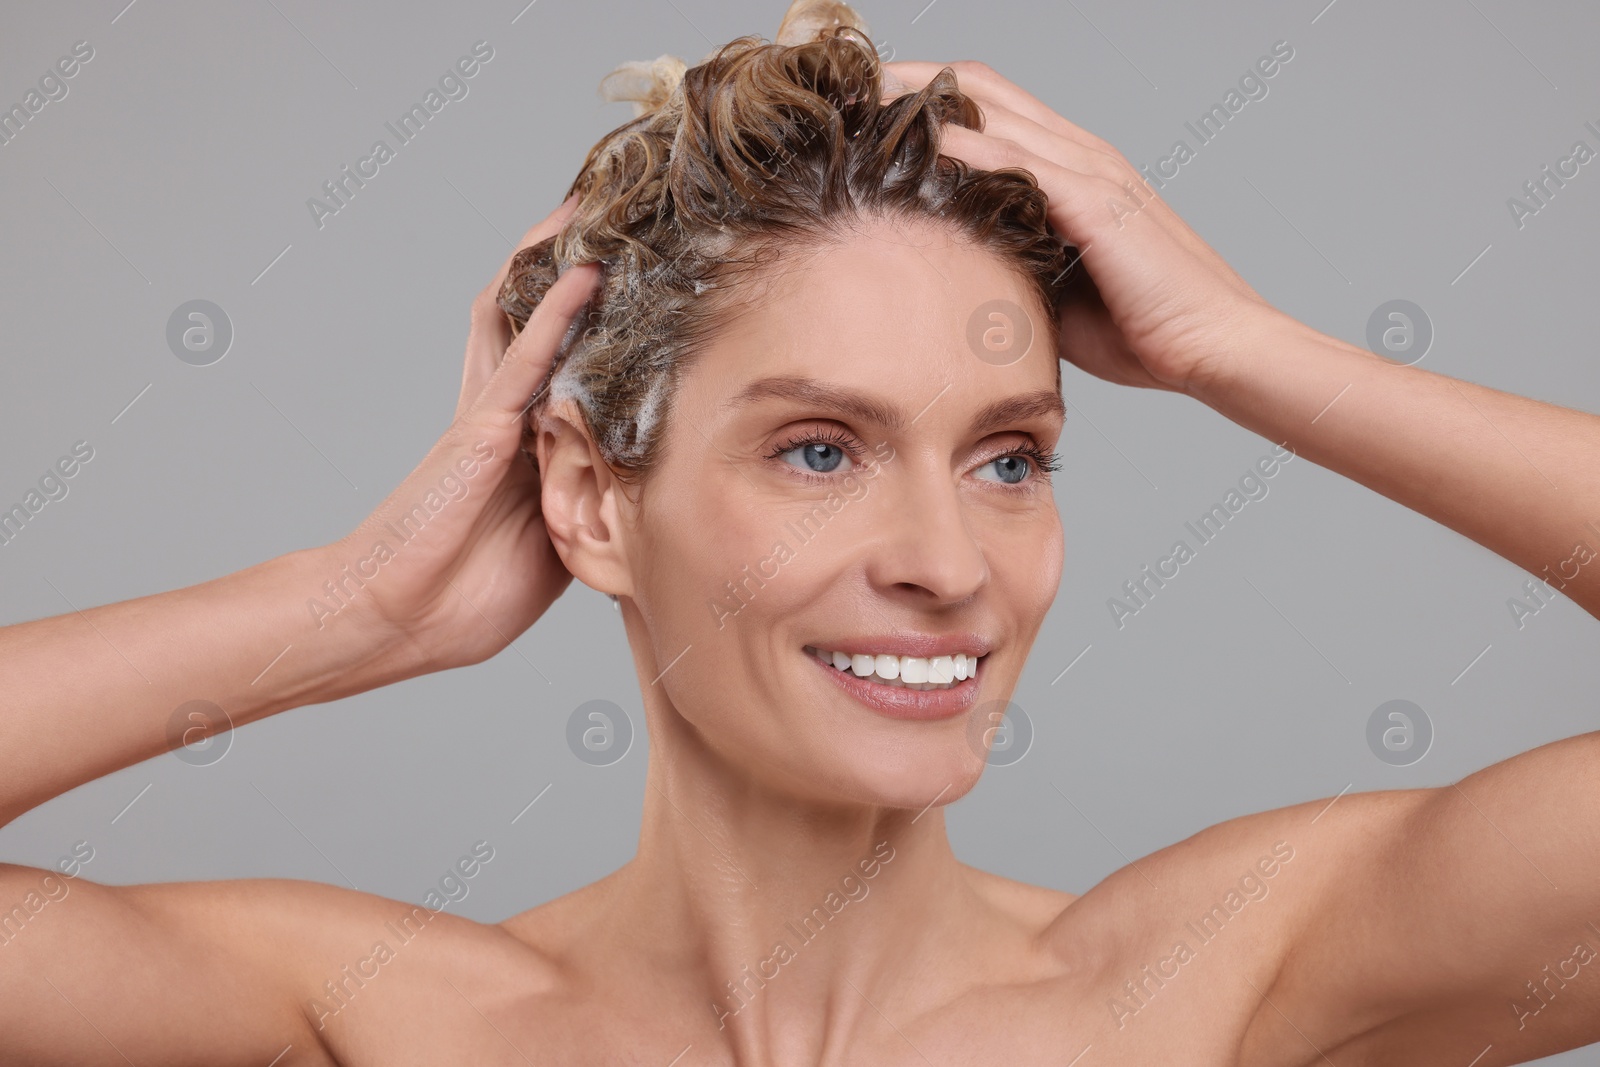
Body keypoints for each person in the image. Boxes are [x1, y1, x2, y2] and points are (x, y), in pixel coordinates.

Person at [3, 1, 1598, 1062]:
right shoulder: (378, 1022)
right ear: (586, 498)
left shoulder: (1209, 991)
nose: (951, 563)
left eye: (1010, 458)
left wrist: (1247, 352)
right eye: (822, 450)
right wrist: (353, 609)